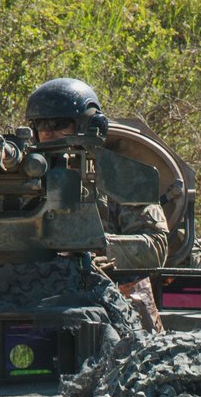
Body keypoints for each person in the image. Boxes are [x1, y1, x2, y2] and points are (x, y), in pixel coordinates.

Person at [25, 78, 169, 270]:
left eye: (58, 123)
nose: (49, 132)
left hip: (102, 284)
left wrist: (94, 246)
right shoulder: (23, 177)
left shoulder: (120, 178)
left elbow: (155, 249)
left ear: (86, 125)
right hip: (29, 283)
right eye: (42, 124)